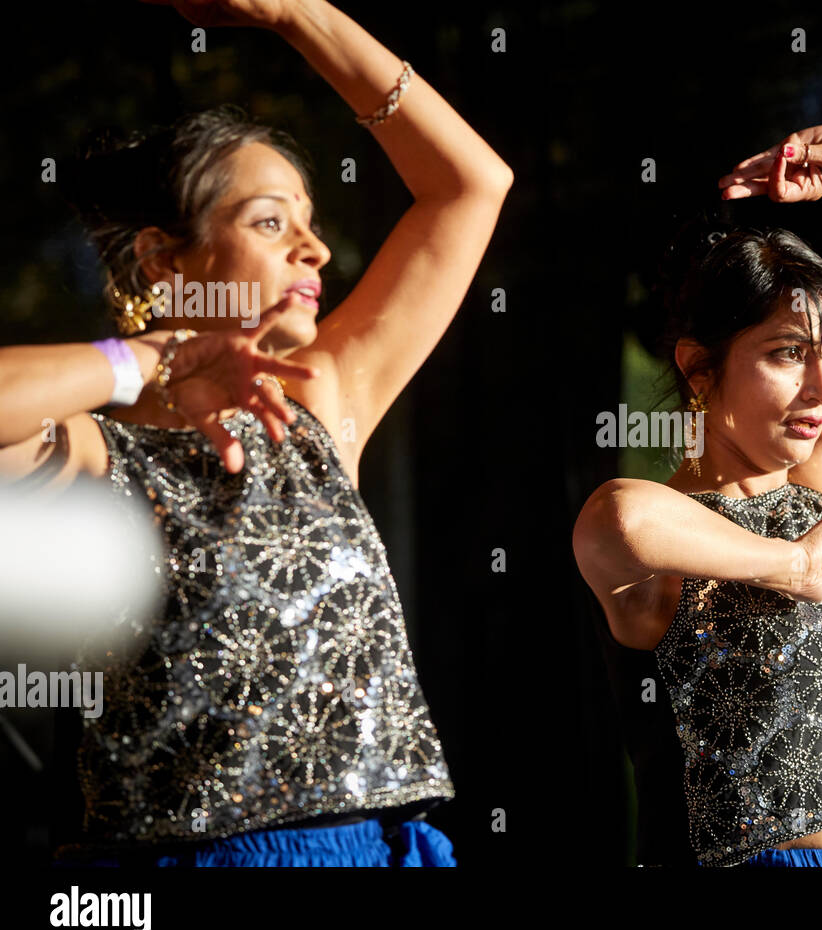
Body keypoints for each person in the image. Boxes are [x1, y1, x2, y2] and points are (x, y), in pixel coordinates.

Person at [0, 0, 512, 866]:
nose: (315, 249)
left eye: (311, 223)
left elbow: (472, 184)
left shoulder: (323, 401)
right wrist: (153, 358)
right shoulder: (93, 454)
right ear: (164, 260)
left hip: (375, 851)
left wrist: (298, 14)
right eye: (272, 221)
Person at [573, 122, 822, 867]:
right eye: (789, 354)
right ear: (699, 367)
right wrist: (791, 566)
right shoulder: (667, 537)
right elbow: (618, 517)